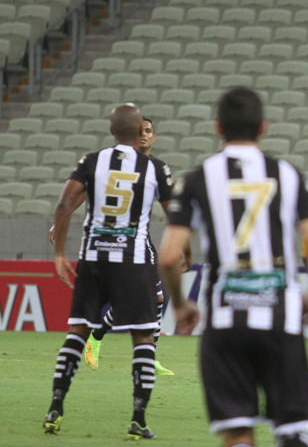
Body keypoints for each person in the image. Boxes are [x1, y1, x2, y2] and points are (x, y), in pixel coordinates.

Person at [158, 87, 308, 447]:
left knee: (237, 432)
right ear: (264, 127)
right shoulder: (287, 174)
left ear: (218, 128)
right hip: (280, 320)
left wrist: (179, 304)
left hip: (224, 321)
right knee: (291, 430)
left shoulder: (197, 179)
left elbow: (167, 257)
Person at [43, 104, 174, 439]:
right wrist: (182, 251)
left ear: (112, 130)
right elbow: (177, 214)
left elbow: (65, 204)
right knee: (143, 336)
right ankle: (138, 419)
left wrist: (59, 252)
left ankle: (55, 408)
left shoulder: (92, 161)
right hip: (130, 259)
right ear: (138, 132)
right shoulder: (154, 168)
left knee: (76, 331)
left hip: (92, 258)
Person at [81, 116, 190, 376]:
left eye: (149, 131)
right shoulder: (116, 163)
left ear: (154, 137)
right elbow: (86, 187)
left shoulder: (157, 168)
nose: (144, 135)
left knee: (153, 297)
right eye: (140, 130)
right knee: (148, 297)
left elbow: (172, 206)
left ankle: (107, 341)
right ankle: (98, 338)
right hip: (114, 238)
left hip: (138, 239)